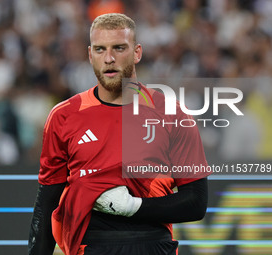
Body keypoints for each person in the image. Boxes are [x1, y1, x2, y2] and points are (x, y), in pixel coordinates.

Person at [29, 13, 210, 255]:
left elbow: (196, 203)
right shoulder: (64, 116)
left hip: (153, 246)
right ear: (90, 54)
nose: (109, 58)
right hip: (89, 246)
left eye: (119, 48)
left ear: (137, 53)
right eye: (100, 49)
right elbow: (47, 203)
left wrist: (133, 206)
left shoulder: (173, 115)